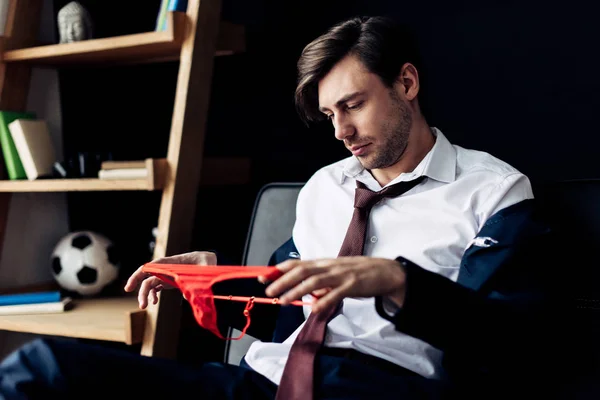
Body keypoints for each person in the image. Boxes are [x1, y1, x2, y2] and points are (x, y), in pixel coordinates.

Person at [0, 15, 563, 400]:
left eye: (353, 105)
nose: (341, 131)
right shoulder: (326, 185)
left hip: (376, 387)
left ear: (407, 82)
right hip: (256, 384)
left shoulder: (493, 192)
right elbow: (283, 308)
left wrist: (394, 280)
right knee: (42, 368)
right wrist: (218, 281)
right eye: (329, 115)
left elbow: (507, 338)